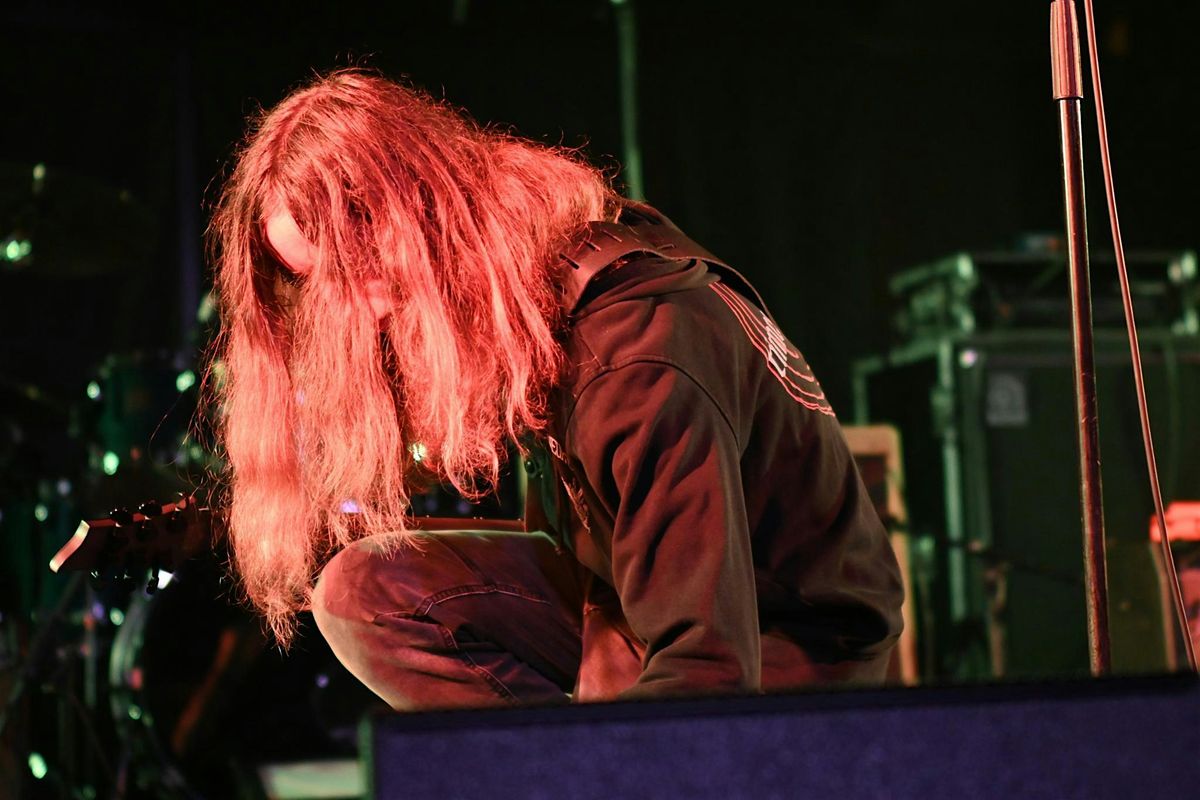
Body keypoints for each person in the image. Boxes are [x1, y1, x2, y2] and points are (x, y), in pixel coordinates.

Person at [208, 69, 903, 709]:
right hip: (629, 602)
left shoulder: (631, 364)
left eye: (361, 274)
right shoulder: (551, 274)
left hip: (786, 647)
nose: (364, 313)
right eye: (323, 288)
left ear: (421, 223)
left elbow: (705, 668)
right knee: (367, 589)